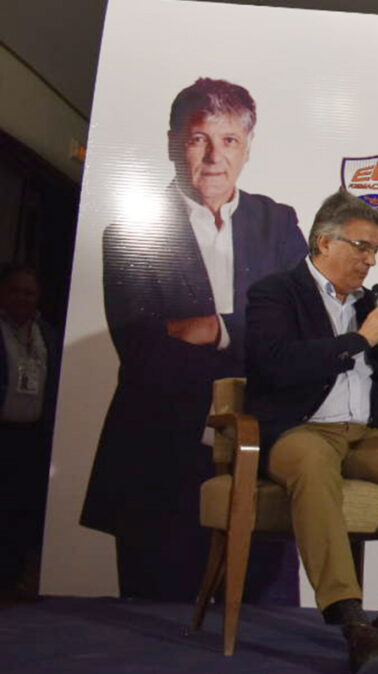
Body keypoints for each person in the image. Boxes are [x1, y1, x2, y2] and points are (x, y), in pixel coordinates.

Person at [80, 77, 307, 600]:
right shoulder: (130, 233)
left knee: (266, 636)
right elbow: (145, 356)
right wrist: (258, 347)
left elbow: (305, 334)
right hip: (159, 465)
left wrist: (217, 329)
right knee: (155, 638)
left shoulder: (278, 224)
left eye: (229, 141)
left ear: (248, 148)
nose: (213, 157)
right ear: (171, 143)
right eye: (198, 138)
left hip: (262, 462)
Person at [245, 188, 378, 672]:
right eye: (361, 247)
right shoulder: (275, 293)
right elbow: (274, 365)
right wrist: (357, 340)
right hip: (302, 430)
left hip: (368, 434)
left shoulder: (371, 304)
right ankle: (349, 617)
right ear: (323, 242)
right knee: (313, 460)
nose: (370, 261)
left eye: (375, 251)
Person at [0, 265, 60, 598]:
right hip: (3, 432)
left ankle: (13, 580)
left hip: (32, 438)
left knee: (22, 513)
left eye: (29, 292)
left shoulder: (47, 335)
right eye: (15, 291)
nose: (22, 298)